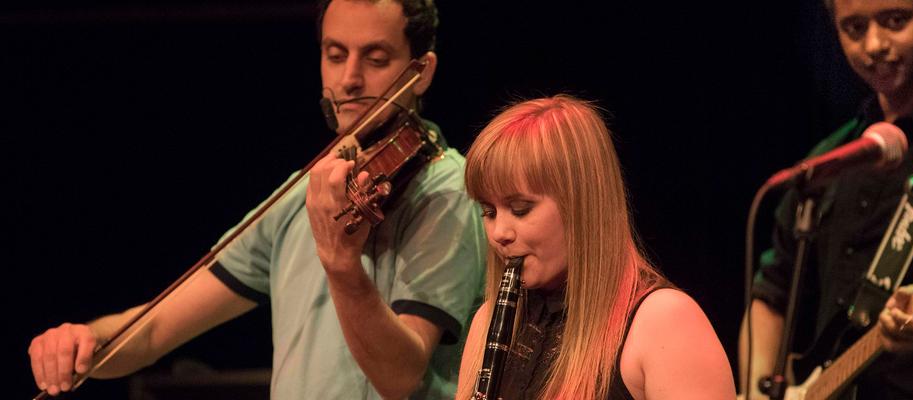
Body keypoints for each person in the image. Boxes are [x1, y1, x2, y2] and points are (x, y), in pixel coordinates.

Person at [26, 0, 486, 399]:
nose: (349, 78)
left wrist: (341, 263)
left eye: (376, 57)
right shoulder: (306, 190)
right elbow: (151, 332)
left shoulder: (446, 190)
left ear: (421, 72)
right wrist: (85, 343)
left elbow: (399, 377)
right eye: (334, 54)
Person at [741, 0, 913, 398]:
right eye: (854, 29)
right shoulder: (830, 160)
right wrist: (757, 390)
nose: (874, 44)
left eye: (895, 21)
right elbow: (771, 294)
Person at [454, 95, 735, 399]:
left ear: (581, 205)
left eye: (520, 209)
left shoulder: (664, 323)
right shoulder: (488, 321)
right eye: (489, 212)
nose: (499, 232)